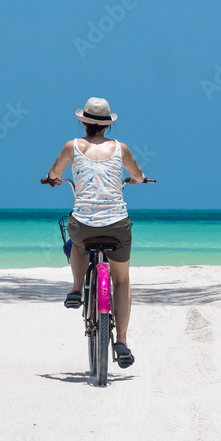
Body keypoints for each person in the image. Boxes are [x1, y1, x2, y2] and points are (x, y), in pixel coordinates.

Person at [45, 96, 145, 369]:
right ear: (107, 126)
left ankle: (77, 288)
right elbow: (136, 173)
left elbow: (55, 172)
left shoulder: (72, 146)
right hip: (117, 224)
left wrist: (53, 179)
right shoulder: (120, 149)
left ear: (84, 123)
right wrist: (138, 179)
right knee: (121, 280)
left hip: (85, 224)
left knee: (77, 240)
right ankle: (121, 341)